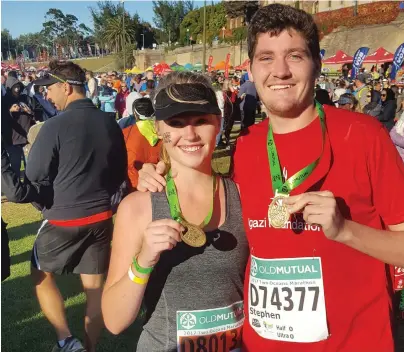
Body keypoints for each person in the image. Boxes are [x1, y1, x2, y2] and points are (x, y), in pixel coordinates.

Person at [136, 4, 404, 352]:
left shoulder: (363, 135)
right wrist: (159, 175)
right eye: (266, 57)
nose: (280, 71)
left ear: (316, 63)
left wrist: (346, 231)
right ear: (251, 68)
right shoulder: (247, 146)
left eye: (295, 56)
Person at [101, 71, 248, 351]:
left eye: (201, 121)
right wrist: (144, 259)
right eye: (176, 123)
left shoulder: (243, 197)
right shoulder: (138, 208)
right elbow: (114, 320)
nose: (189, 134)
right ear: (159, 129)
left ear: (218, 123)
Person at [27, 60, 127, 352]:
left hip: (64, 218)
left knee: (39, 276)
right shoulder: (110, 122)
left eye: (49, 89)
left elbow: (34, 175)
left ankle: (66, 340)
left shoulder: (54, 125)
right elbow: (119, 170)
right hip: (101, 216)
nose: (47, 95)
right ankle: (89, 347)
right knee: (94, 289)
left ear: (66, 88)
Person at [122, 97, 162, 192]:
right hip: (162, 185)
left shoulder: (126, 133)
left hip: (134, 188)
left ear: (135, 114)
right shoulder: (166, 131)